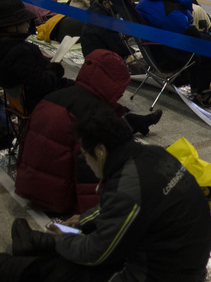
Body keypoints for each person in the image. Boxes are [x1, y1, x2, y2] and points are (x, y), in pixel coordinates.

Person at [0, 112, 211, 282]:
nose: (86, 161)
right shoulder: (152, 154)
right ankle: (38, 243)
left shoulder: (128, 185)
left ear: (100, 151)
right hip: (182, 252)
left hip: (167, 275)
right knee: (88, 232)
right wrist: (84, 220)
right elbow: (128, 209)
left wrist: (64, 241)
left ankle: (17, 261)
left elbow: (97, 252)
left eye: (85, 155)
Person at [15, 49, 162, 216]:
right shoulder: (93, 115)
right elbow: (89, 174)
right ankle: (135, 122)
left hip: (29, 185)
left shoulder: (54, 97)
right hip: (56, 199)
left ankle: (134, 121)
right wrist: (91, 215)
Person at [137, 0, 211, 95]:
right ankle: (202, 92)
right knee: (208, 46)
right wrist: (208, 36)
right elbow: (192, 33)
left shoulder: (147, 1)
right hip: (166, 55)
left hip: (152, 50)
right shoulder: (170, 10)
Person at [0, 0, 70, 113]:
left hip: (21, 102)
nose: (27, 25)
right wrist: (55, 68)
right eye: (23, 22)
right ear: (11, 27)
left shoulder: (6, 48)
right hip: (39, 103)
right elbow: (44, 84)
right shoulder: (20, 52)